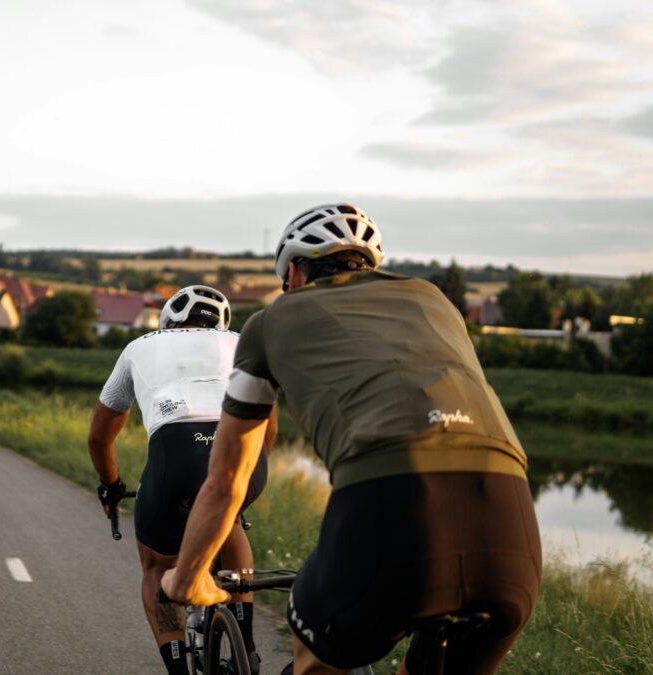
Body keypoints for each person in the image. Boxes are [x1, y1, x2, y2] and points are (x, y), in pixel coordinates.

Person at [161, 204, 541, 675]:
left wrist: (189, 577)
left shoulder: (270, 321)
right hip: (511, 525)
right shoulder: (435, 302)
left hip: (390, 504)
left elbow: (224, 481)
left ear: (295, 272)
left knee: (315, 659)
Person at [89, 285, 276, 675]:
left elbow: (100, 435)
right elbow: (267, 427)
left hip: (176, 451)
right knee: (229, 515)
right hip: (245, 450)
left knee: (157, 569)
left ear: (168, 320)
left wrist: (112, 485)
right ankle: (248, 645)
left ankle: (177, 668)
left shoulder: (141, 345)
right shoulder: (242, 341)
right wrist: (246, 480)